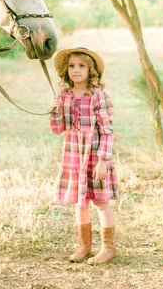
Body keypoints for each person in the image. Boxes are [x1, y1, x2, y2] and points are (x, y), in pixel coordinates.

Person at [49, 46, 119, 264]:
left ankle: (108, 248)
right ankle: (84, 245)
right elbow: (58, 129)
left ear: (91, 70)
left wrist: (102, 161)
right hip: (73, 153)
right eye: (71, 66)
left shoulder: (99, 96)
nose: (76, 70)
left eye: (81, 66)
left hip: (94, 154)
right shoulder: (64, 96)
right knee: (79, 202)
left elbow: (107, 130)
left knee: (100, 201)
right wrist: (55, 109)